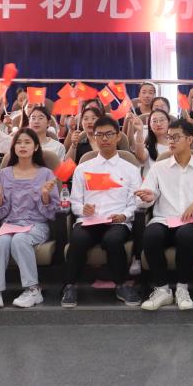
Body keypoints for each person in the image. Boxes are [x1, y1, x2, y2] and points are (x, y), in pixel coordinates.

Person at [136, 118, 193, 312]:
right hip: (163, 219)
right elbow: (145, 196)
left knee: (185, 235)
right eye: (169, 137)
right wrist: (148, 198)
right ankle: (162, 290)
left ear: (189, 139)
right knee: (150, 235)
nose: (170, 141)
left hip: (189, 222)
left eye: (176, 137)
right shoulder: (158, 167)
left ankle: (182, 289)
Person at [61, 116, 142, 308]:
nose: (104, 138)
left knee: (113, 240)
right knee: (78, 239)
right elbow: (75, 201)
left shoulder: (130, 169)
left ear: (118, 136)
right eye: (100, 135)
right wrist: (82, 209)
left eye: (109, 134)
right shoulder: (83, 168)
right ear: (94, 137)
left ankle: (121, 285)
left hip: (117, 221)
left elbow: (135, 201)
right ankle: (70, 286)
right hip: (89, 220)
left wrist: (124, 215)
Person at [0, 128, 58, 309]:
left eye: (27, 142)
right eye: (18, 142)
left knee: (20, 239)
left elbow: (52, 213)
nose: (22, 146)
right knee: (0, 242)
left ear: (36, 147)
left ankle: (33, 290)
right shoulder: (4, 174)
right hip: (10, 224)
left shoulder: (46, 174)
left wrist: (44, 195)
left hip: (36, 224)